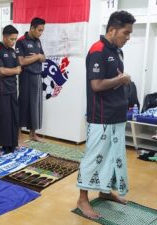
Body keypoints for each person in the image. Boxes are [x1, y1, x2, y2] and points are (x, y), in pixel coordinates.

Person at [76, 10, 135, 219]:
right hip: (101, 116)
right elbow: (97, 85)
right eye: (126, 33)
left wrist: (123, 83)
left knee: (112, 157)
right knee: (93, 157)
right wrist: (123, 80)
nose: (128, 38)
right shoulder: (97, 50)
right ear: (112, 30)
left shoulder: (118, 51)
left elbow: (117, 79)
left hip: (117, 115)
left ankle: (104, 190)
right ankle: (83, 200)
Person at [0, 25, 21, 154]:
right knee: (0, 117)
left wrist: (12, 71)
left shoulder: (13, 52)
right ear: (5, 37)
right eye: (12, 39)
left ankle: (11, 143)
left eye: (15, 39)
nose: (13, 42)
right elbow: (1, 71)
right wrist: (13, 71)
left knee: (13, 116)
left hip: (12, 88)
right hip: (1, 89)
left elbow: (19, 69)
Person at [16, 17, 46, 142]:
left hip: (37, 76)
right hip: (26, 77)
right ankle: (18, 135)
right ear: (32, 28)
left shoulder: (38, 41)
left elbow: (44, 57)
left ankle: (32, 134)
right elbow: (21, 61)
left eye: (42, 31)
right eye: (39, 30)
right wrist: (37, 57)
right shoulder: (21, 41)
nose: (40, 33)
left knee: (36, 106)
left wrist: (38, 56)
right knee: (23, 105)